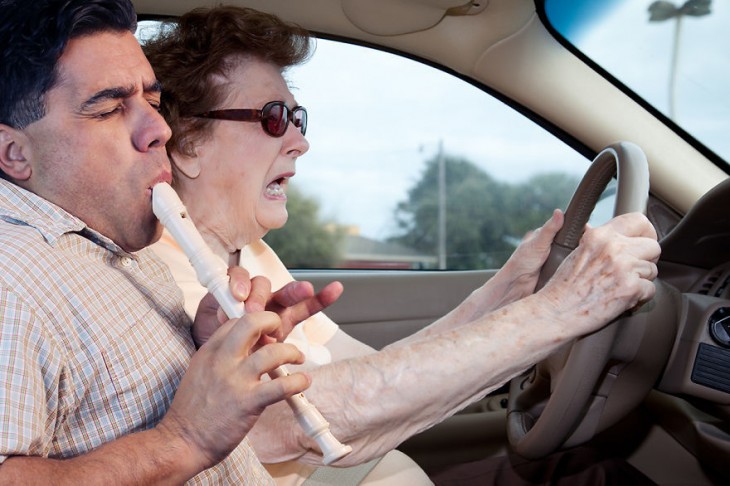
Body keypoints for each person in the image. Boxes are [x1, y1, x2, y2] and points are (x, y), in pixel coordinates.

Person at [144, 6, 661, 486]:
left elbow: (381, 370)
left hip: (361, 474)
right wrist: (566, 307)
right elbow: (286, 423)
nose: (300, 141)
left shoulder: (249, 254)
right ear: (188, 143)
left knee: (592, 471)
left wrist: (509, 292)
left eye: (298, 120)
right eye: (275, 118)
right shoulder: (158, 275)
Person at [0, 1, 343, 484]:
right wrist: (183, 441)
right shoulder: (10, 283)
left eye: (153, 103)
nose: (160, 129)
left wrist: (204, 345)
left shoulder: (116, 245)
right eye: (110, 109)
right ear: (15, 153)